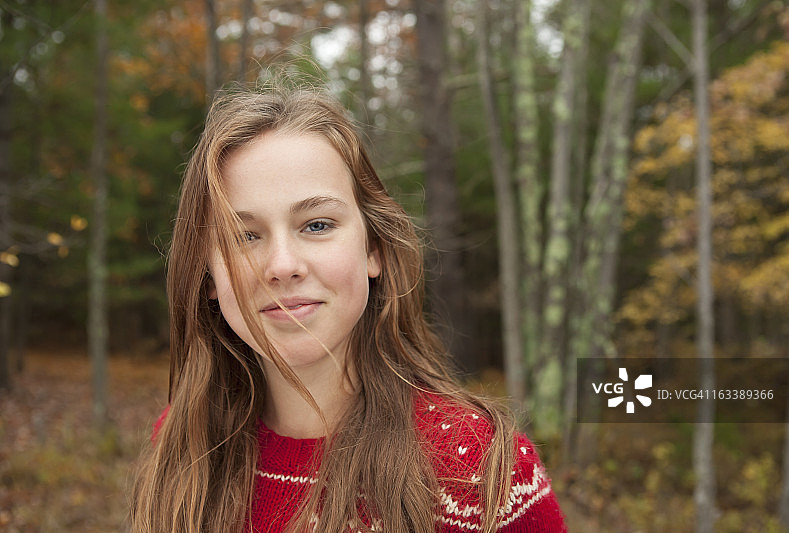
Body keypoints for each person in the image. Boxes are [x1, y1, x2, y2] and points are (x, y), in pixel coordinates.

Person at [131, 83, 567, 533]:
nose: (282, 266)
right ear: (208, 277)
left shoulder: (480, 470)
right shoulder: (182, 447)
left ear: (372, 249)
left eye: (316, 224)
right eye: (245, 235)